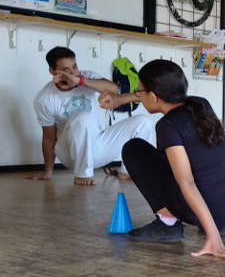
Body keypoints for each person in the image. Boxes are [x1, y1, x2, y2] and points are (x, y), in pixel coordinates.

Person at [121, 60, 225, 260]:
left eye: (139, 92)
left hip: (203, 212)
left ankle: (168, 224)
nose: (139, 98)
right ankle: (216, 225)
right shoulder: (200, 104)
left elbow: (187, 182)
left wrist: (214, 239)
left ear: (153, 96)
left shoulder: (167, 125)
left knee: (134, 150)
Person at [26, 46, 155, 186]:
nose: (72, 73)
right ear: (52, 71)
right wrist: (48, 172)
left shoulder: (86, 76)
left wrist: (80, 81)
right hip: (70, 153)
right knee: (83, 116)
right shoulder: (44, 98)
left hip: (97, 146)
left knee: (144, 121)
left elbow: (116, 90)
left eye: (74, 67)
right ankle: (82, 174)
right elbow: (49, 138)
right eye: (65, 70)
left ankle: (128, 171)